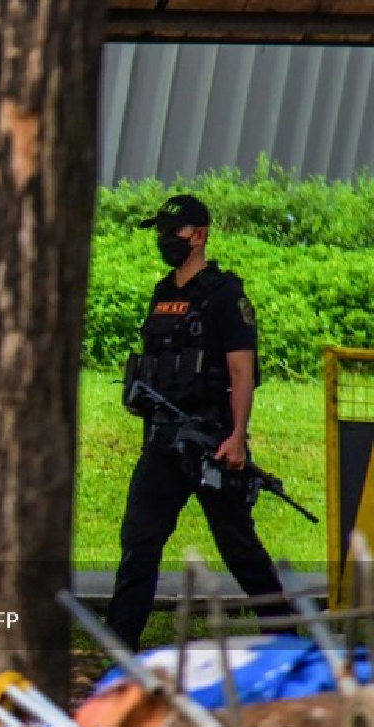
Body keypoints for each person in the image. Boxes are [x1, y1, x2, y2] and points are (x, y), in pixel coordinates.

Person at [105, 194, 293, 652]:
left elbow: (242, 371)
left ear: (200, 235)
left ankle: (287, 636)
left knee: (238, 546)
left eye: (175, 232)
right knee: (139, 543)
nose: (165, 240)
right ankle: (118, 649)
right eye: (161, 232)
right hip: (164, 441)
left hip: (211, 441)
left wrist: (238, 438)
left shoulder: (226, 295)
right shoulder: (163, 292)